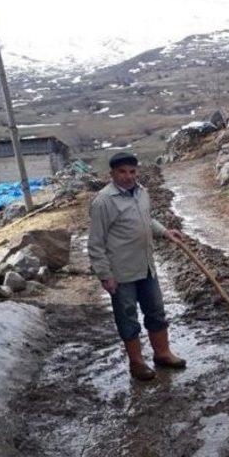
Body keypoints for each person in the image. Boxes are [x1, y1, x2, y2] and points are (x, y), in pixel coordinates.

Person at [87, 151, 186, 381]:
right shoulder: (104, 201)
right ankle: (137, 363)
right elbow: (95, 244)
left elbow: (146, 219)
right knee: (128, 317)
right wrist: (105, 275)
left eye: (132, 171)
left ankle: (162, 353)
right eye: (122, 172)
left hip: (146, 267)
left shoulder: (141, 193)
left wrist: (164, 232)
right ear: (111, 174)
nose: (128, 176)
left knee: (156, 312)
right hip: (121, 274)